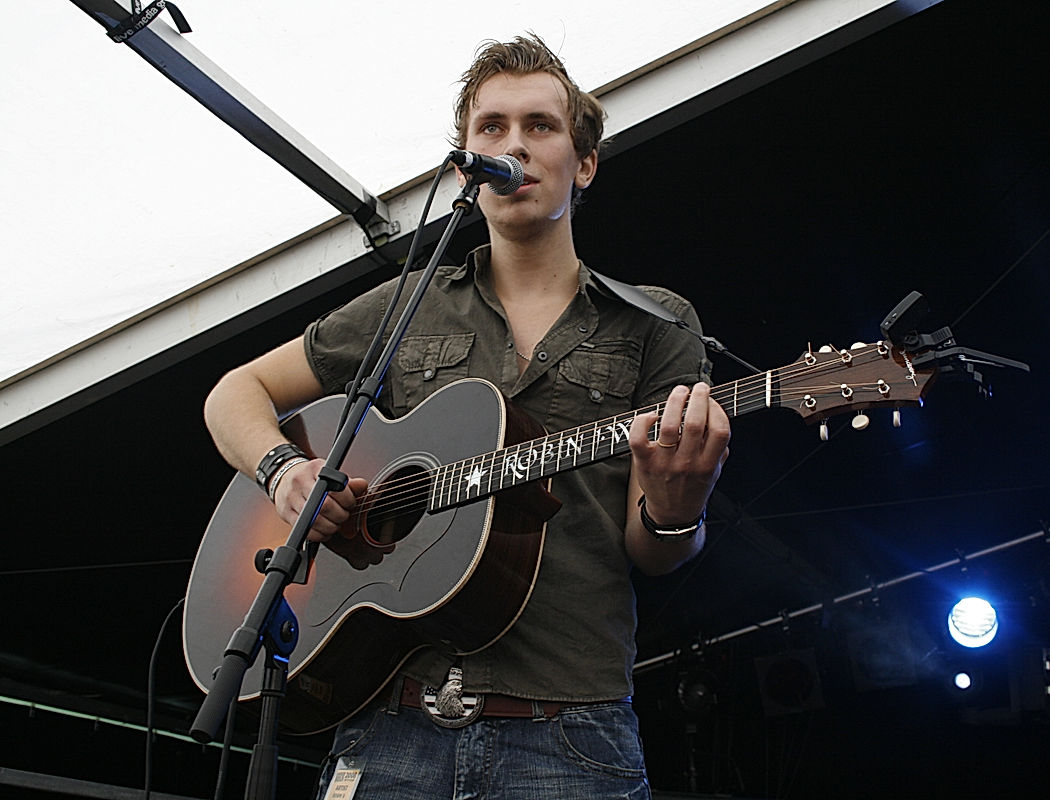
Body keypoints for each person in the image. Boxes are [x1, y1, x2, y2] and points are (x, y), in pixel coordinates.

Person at [203, 33, 730, 798]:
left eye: (540, 126)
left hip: (568, 731)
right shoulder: (409, 304)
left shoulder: (656, 324)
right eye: (492, 128)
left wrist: (680, 507)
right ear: (466, 166)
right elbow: (234, 392)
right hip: (389, 722)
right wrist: (286, 473)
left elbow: (656, 553)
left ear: (582, 164)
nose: (513, 144)